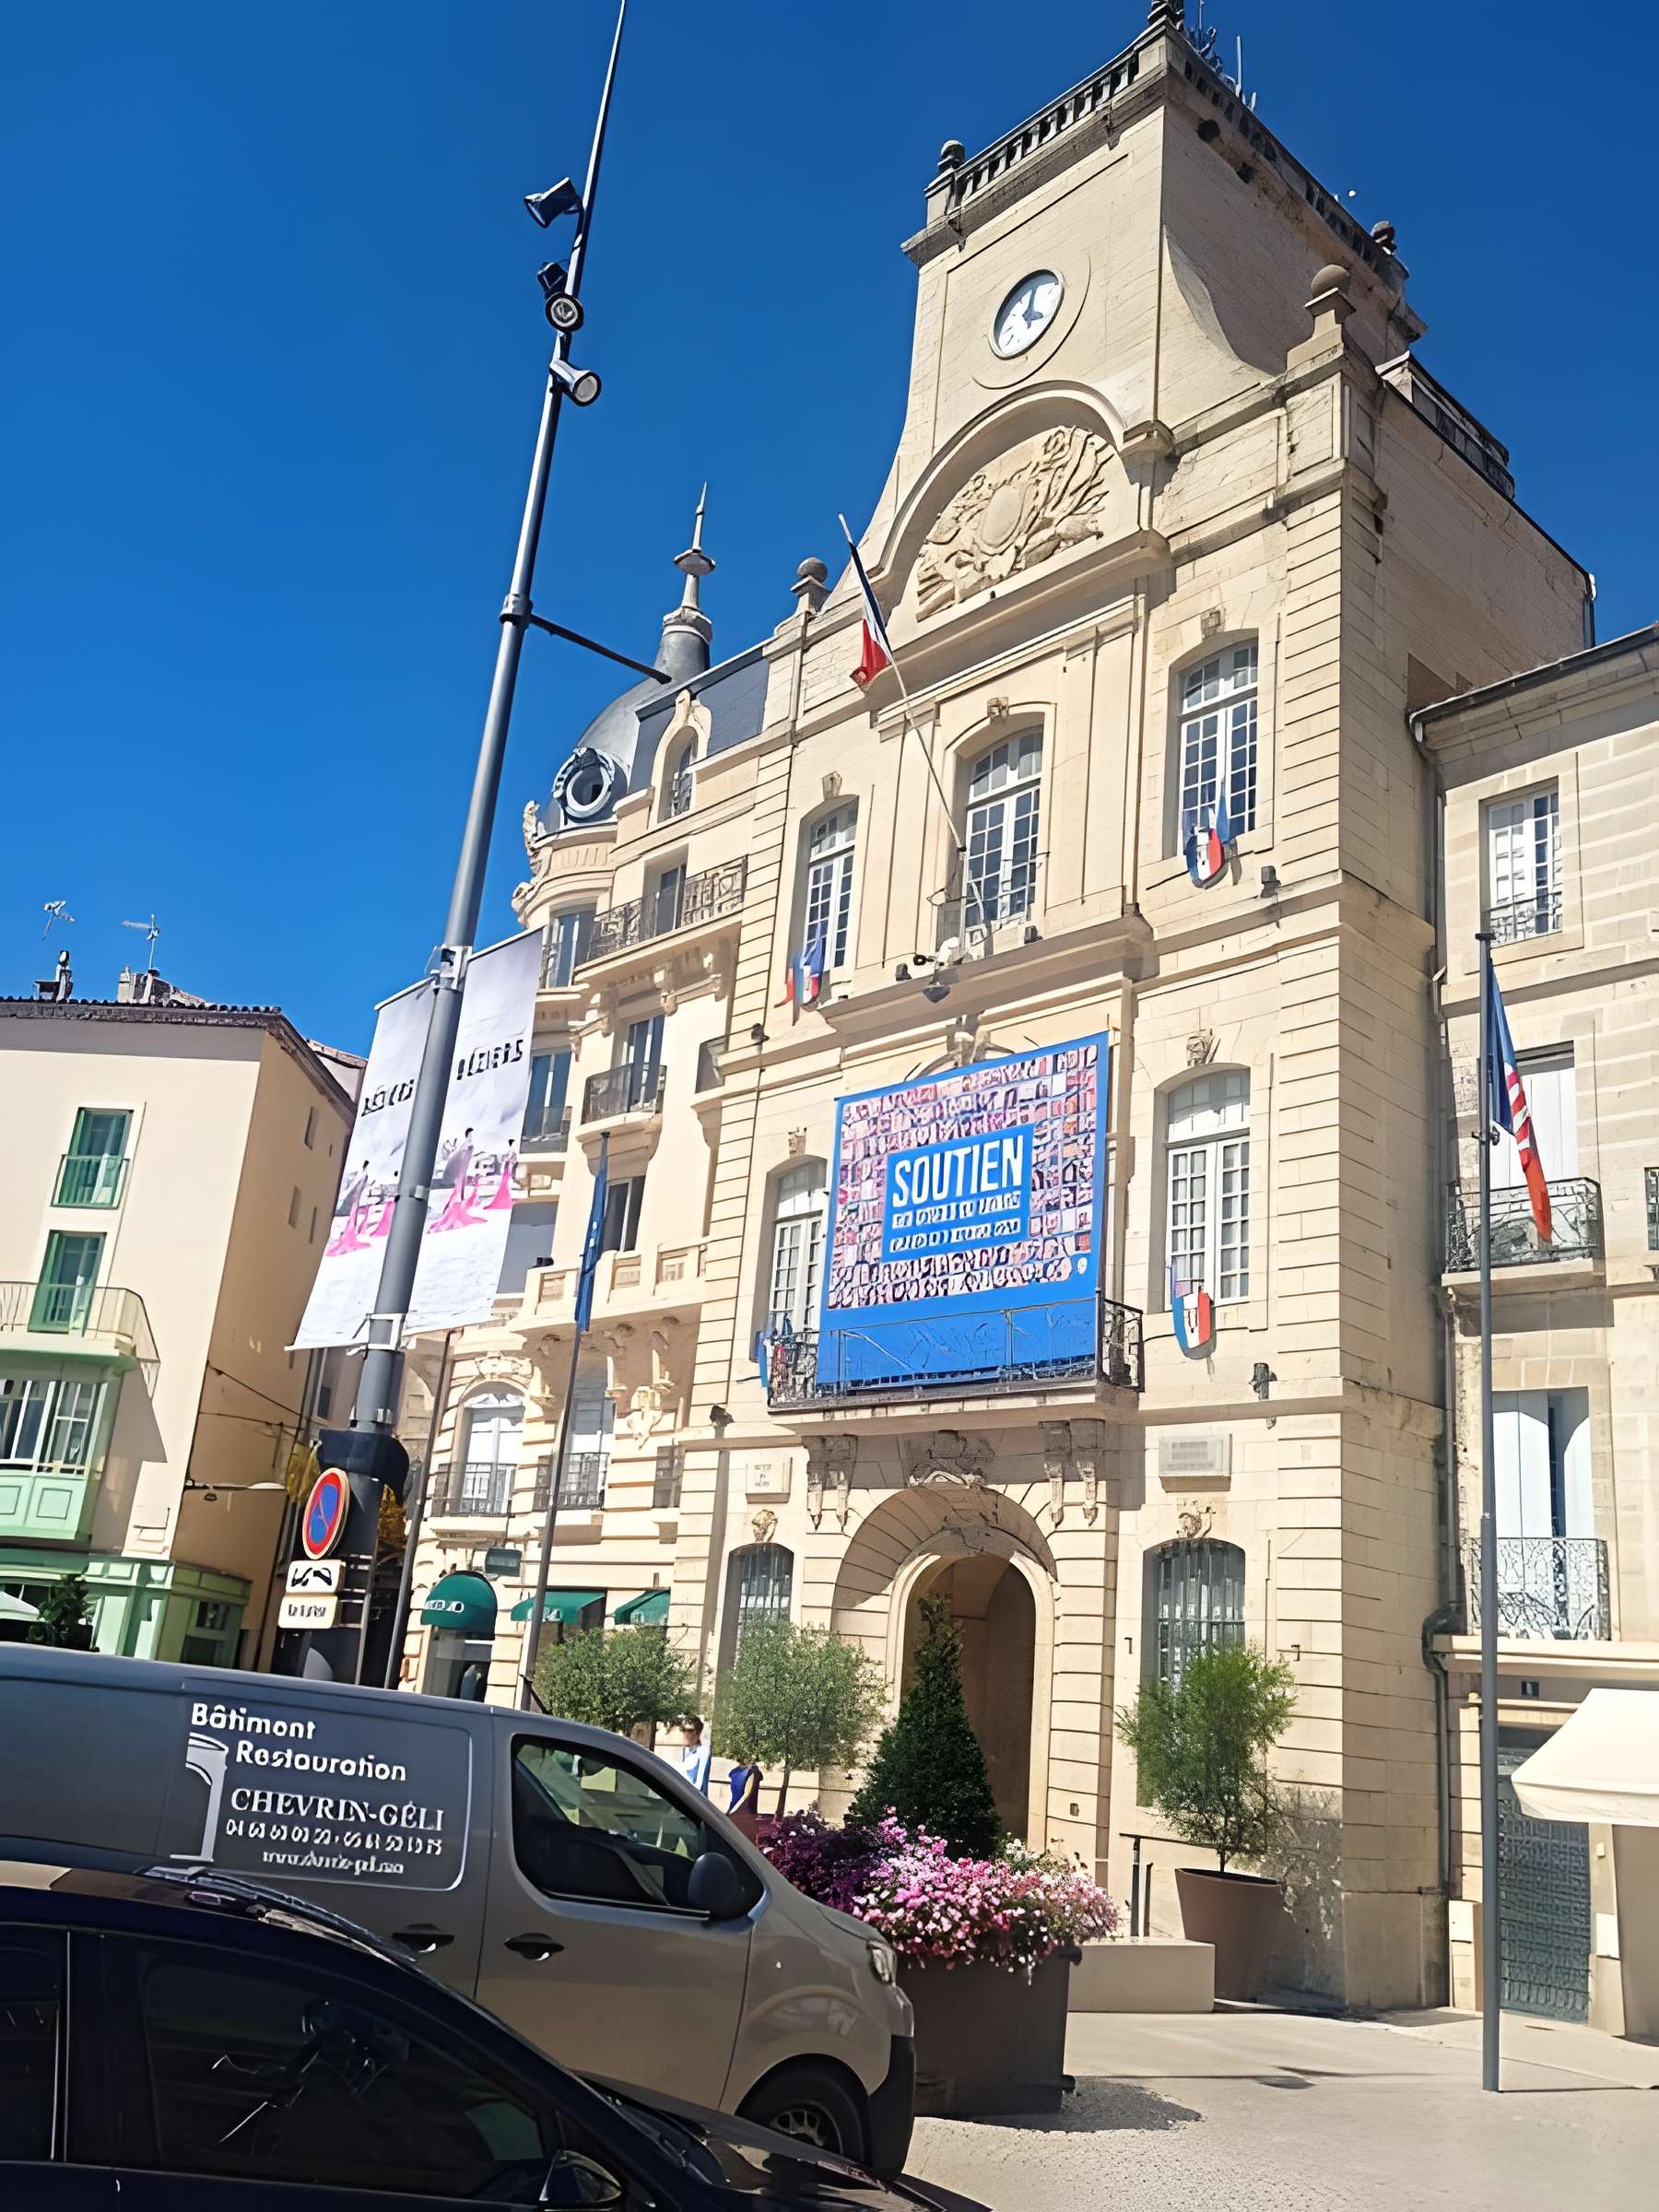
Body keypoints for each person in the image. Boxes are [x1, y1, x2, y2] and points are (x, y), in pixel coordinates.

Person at [726, 1752, 762, 1833]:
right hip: (745, 1810)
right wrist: (754, 1768)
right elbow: (760, 1776)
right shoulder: (751, 1773)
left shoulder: (734, 1772)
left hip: (734, 1806)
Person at [676, 1715, 712, 1794]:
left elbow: (700, 1786)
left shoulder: (703, 1752)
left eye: (689, 1730)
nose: (685, 1734)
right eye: (683, 1730)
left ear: (697, 1733)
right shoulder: (688, 1751)